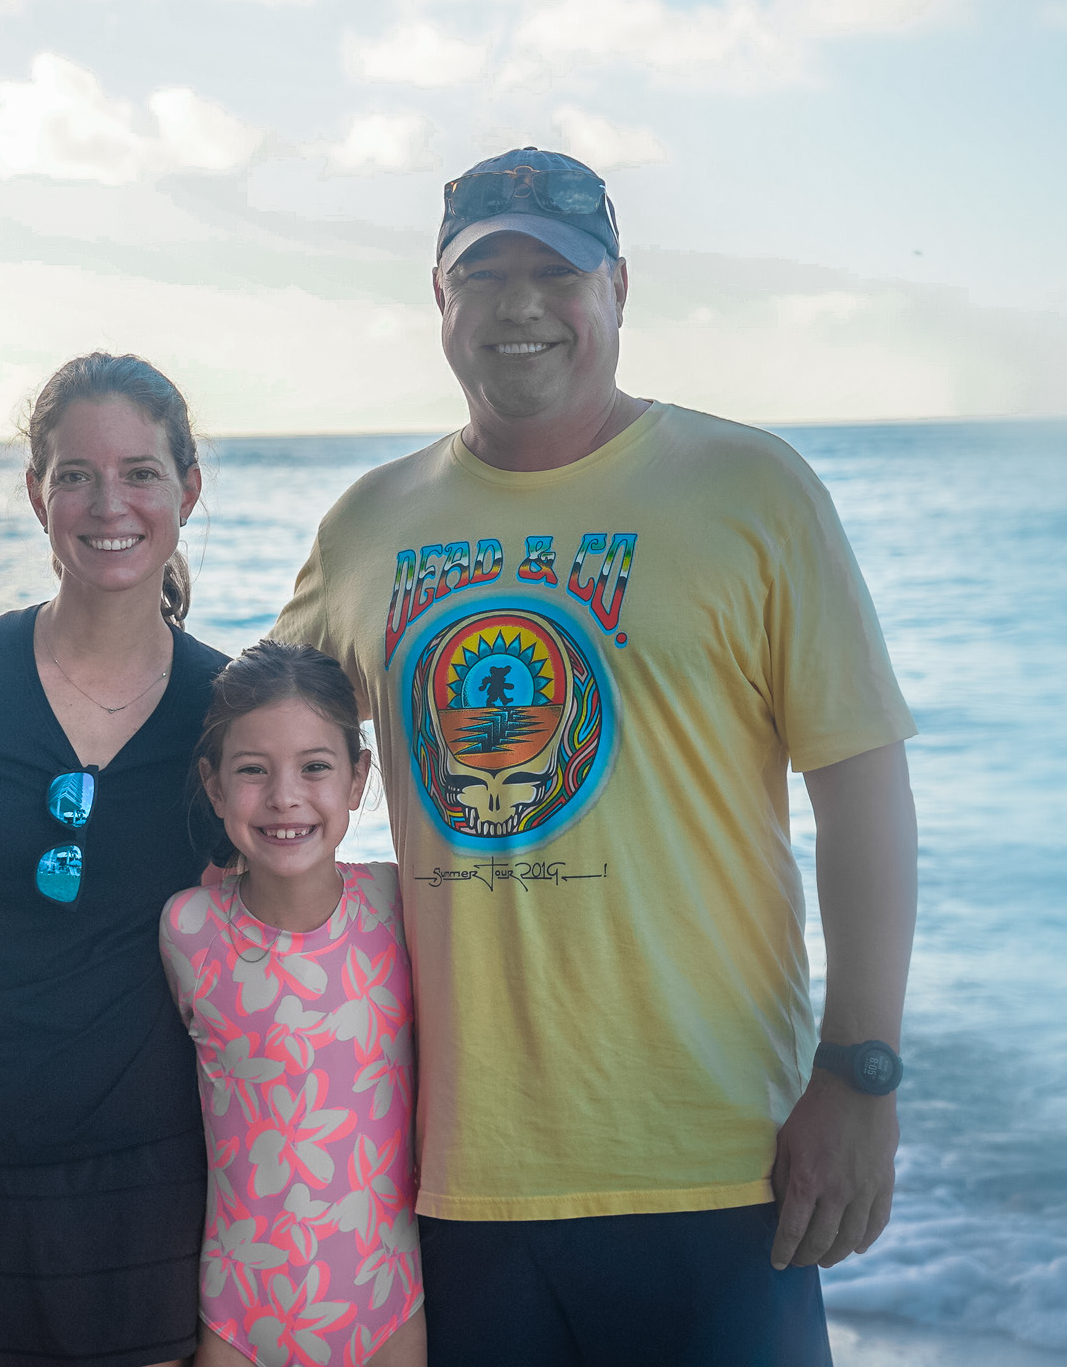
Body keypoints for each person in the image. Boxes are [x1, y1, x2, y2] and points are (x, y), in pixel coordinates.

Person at [271, 147, 920, 1365]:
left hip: (715, 1150)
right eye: (485, 274)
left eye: (553, 271)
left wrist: (861, 1073)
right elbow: (253, 759)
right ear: (439, 299)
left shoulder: (749, 489)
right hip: (452, 1168)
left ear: (618, 287)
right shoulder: (367, 523)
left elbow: (865, 799)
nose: (519, 305)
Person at [0, 352, 229, 1367]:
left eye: (140, 472)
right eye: (74, 473)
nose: (106, 501)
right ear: (37, 493)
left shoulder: (228, 711)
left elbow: (272, 946)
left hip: (148, 1181)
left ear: (186, 490)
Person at [160, 641, 426, 1367]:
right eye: (253, 771)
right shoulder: (187, 928)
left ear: (358, 777)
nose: (285, 797)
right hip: (237, 1316)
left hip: (391, 1308)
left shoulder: (398, 906)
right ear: (214, 789)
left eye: (315, 767)